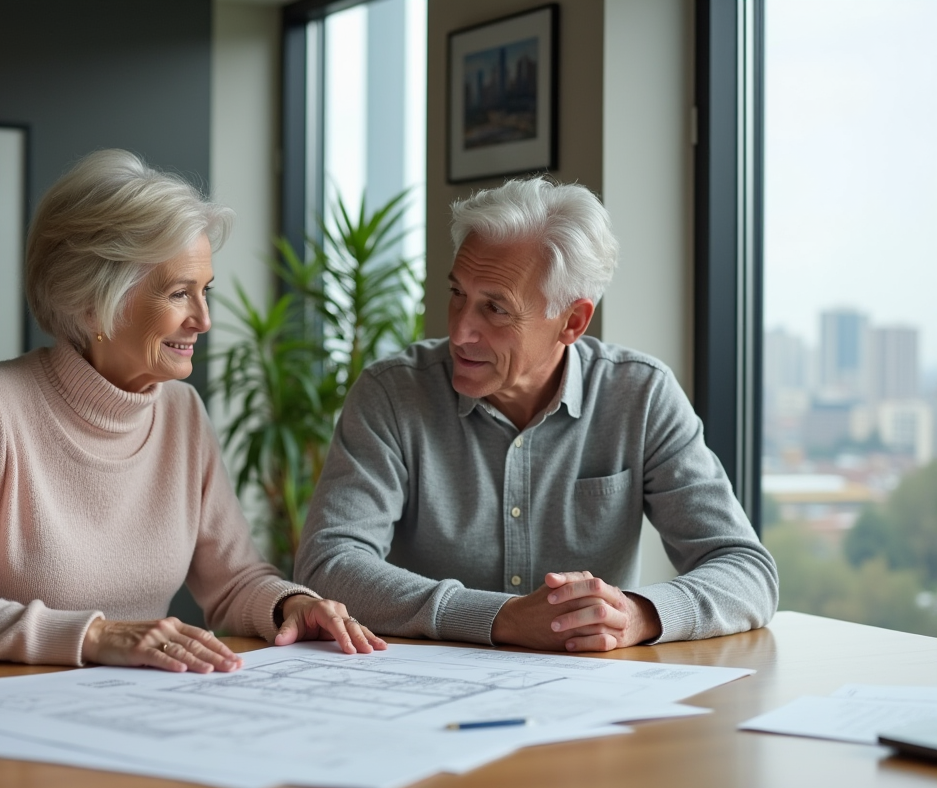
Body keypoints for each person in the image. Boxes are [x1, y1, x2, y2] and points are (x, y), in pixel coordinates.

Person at [0, 149, 386, 672]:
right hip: (0, 721)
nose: (203, 320)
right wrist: (92, 635)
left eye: (206, 291)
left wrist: (291, 605)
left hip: (130, 718)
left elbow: (234, 582)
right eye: (180, 294)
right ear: (95, 302)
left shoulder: (182, 412)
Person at [294, 177, 778, 653]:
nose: (461, 330)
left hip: (588, 702)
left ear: (572, 321)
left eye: (496, 309)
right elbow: (328, 563)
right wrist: (497, 618)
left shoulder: (641, 395)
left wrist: (637, 615)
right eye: (458, 293)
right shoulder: (391, 394)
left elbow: (745, 569)